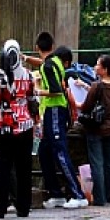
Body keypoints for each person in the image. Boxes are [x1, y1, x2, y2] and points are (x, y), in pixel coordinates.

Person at [35, 34, 88, 209]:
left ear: (37, 47)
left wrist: (37, 92)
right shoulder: (55, 62)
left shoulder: (48, 65)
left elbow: (56, 91)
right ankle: (55, 192)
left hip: (55, 109)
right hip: (54, 111)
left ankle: (77, 194)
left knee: (60, 151)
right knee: (44, 151)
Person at [0, 39, 36, 219]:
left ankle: (1, 208)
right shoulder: (29, 75)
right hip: (26, 126)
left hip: (5, 127)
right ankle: (24, 207)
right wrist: (36, 123)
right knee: (24, 168)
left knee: (4, 169)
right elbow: (33, 101)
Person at [76, 54, 110, 206]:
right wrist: (84, 85)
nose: (95, 67)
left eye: (98, 65)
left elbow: (86, 106)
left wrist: (73, 102)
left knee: (97, 164)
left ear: (105, 69)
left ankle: (100, 198)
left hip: (95, 128)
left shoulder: (97, 85)